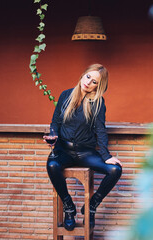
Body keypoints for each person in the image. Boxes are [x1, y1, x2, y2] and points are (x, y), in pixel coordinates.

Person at [44, 63, 122, 231]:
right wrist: (53, 135)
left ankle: (91, 206)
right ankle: (69, 207)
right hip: (63, 150)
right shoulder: (66, 95)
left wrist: (107, 156)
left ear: (98, 86)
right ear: (83, 75)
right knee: (52, 165)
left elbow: (101, 130)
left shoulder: (98, 102)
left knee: (115, 170)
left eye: (94, 81)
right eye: (88, 77)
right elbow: (55, 122)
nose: (88, 82)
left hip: (85, 152)